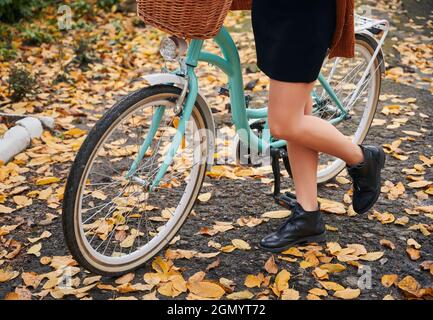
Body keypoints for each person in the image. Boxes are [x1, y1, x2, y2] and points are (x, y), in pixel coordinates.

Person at [251, 0, 385, 252]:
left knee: (283, 124)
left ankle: (362, 157)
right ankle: (308, 215)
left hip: (303, 15)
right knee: (297, 112)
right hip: (272, 11)